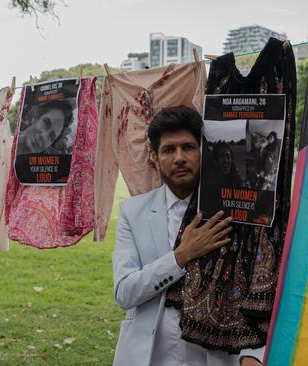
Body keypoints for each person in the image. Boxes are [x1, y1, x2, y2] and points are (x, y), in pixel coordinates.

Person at [111, 105, 264, 366]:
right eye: (169, 150)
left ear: (204, 152)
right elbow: (125, 293)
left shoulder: (232, 213)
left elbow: (255, 290)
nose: (179, 158)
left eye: (188, 147)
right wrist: (181, 256)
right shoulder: (132, 212)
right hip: (148, 357)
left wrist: (253, 353)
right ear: (155, 158)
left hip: (215, 357)